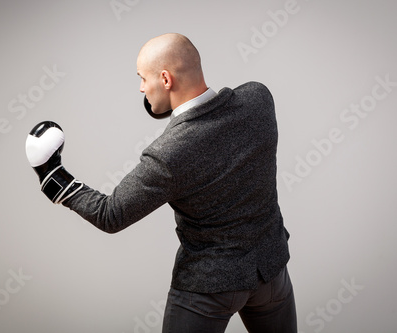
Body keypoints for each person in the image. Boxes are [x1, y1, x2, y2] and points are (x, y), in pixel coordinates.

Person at [25, 33, 297, 332]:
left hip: (210, 287)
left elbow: (110, 215)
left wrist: (51, 175)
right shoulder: (258, 99)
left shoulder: (168, 154)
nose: (141, 88)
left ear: (165, 79)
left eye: (143, 78)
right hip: (271, 272)